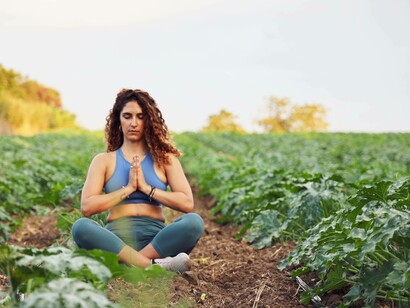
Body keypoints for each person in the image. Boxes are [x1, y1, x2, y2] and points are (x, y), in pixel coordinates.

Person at [71, 88, 204, 273]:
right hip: (116, 242)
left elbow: (187, 203)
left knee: (193, 222)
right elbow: (87, 206)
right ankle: (151, 266)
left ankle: (129, 264)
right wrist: (129, 188)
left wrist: (146, 188)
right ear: (118, 120)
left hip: (156, 242)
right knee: (81, 227)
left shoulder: (166, 160)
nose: (134, 123)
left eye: (140, 116)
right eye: (127, 116)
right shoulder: (103, 160)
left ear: (149, 120)